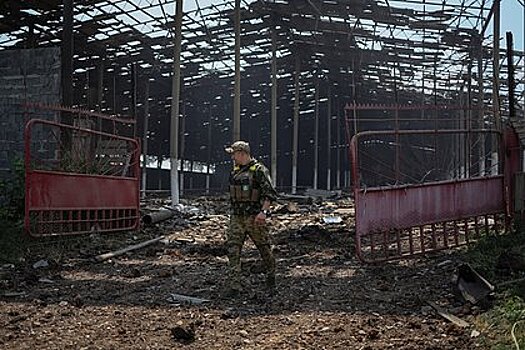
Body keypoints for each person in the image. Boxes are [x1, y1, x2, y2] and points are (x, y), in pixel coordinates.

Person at [223, 140, 277, 297]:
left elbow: (270, 194)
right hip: (237, 217)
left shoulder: (259, 170)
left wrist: (263, 212)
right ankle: (235, 285)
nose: (232, 157)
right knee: (233, 249)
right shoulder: (235, 172)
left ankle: (271, 276)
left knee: (264, 248)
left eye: (234, 154)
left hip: (254, 217)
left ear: (242, 153)